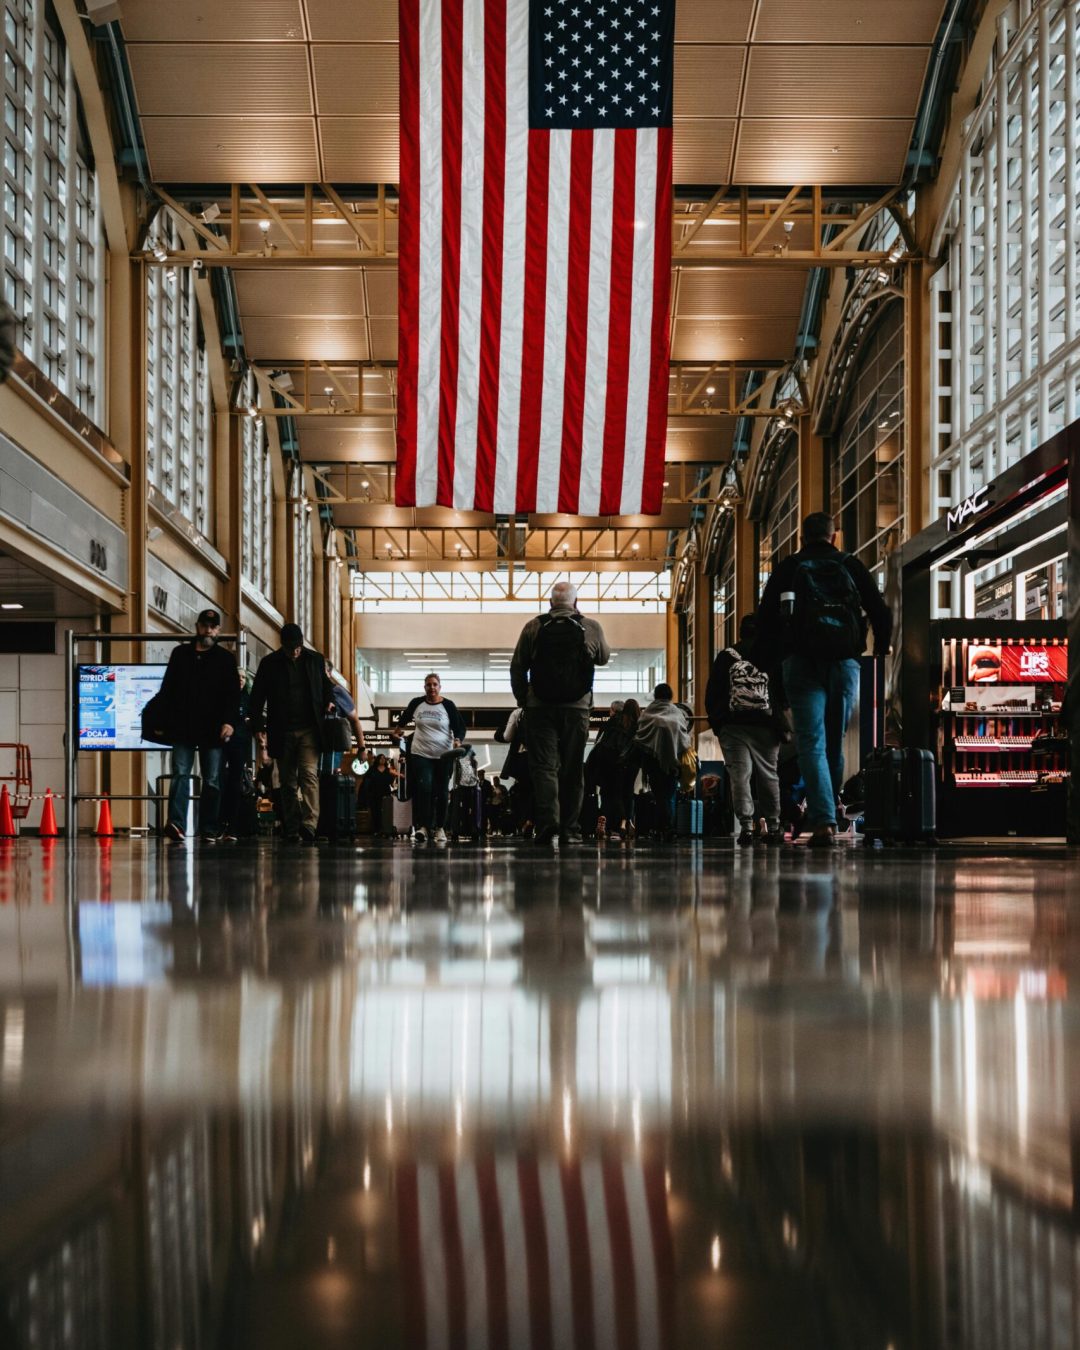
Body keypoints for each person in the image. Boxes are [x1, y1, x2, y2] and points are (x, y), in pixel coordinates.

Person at [756, 511, 893, 849]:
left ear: (802, 537)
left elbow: (765, 620)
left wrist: (771, 666)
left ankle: (825, 822)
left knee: (810, 744)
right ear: (834, 537)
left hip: (801, 663)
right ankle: (827, 813)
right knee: (835, 743)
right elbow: (880, 609)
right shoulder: (850, 564)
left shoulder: (789, 567)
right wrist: (881, 648)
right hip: (845, 662)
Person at [509, 581, 610, 846]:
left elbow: (517, 667)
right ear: (576, 603)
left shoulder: (534, 626)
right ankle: (570, 830)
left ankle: (547, 824)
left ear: (550, 603)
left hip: (540, 708)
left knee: (544, 768)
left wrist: (525, 700)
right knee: (573, 769)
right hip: (577, 708)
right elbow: (603, 658)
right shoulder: (591, 626)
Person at [150, 608, 239, 843]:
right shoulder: (181, 655)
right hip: (183, 727)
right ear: (198, 626)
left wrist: (229, 722)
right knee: (180, 774)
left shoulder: (225, 659)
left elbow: (232, 696)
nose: (208, 630)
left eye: (212, 626)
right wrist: (160, 721)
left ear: (218, 630)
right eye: (204, 625)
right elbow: (167, 690)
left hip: (213, 729)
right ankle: (176, 823)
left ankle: (209, 827)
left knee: (211, 780)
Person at [248, 623, 335, 845]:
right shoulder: (269, 664)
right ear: (282, 645)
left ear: (301, 643)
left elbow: (326, 686)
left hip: (309, 730)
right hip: (282, 730)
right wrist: (259, 728)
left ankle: (309, 824)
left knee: (309, 775)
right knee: (287, 782)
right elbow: (257, 698)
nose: (294, 651)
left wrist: (330, 702)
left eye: (297, 647)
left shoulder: (315, 660)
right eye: (290, 648)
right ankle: (292, 827)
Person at [705, 614, 785, 847]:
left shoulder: (726, 657)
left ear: (740, 632)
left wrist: (719, 724)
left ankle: (747, 827)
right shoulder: (771, 655)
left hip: (733, 725)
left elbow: (712, 693)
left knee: (740, 776)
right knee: (769, 774)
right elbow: (781, 690)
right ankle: (773, 825)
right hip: (765, 724)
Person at [392, 672, 466, 845]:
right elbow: (403, 718)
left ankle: (440, 827)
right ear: (424, 687)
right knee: (424, 788)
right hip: (420, 753)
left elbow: (459, 727)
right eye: (428, 685)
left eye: (434, 684)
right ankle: (423, 827)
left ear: (440, 687)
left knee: (441, 792)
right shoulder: (417, 703)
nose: (431, 687)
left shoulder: (448, 705)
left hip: (444, 755)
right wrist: (396, 731)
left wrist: (457, 740)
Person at [633, 684, 691, 840]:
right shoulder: (677, 713)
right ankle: (668, 828)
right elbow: (684, 738)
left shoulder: (648, 713)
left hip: (653, 762)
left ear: (656, 695)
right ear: (670, 695)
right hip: (673, 763)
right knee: (669, 795)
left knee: (659, 796)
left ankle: (661, 828)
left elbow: (640, 737)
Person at [587, 699, 640, 841]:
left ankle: (605, 817)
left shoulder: (610, 723)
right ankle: (625, 822)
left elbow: (598, 743)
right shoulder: (637, 725)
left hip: (609, 764)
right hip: (630, 764)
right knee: (627, 794)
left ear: (614, 711)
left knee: (609, 794)